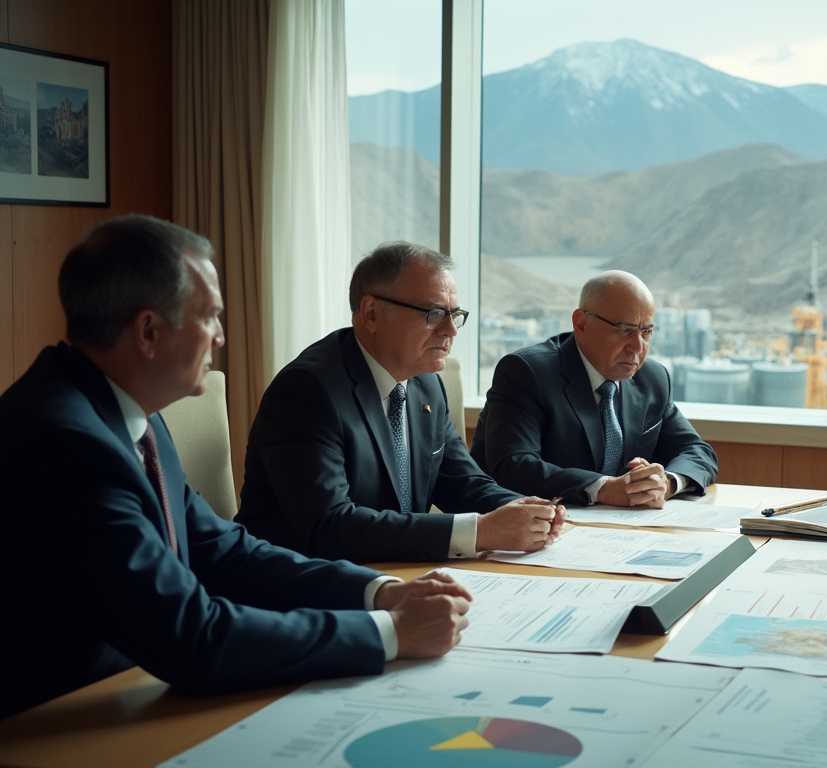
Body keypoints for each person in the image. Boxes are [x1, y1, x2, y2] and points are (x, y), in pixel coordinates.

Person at [0, 216, 473, 719]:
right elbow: (192, 637)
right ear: (148, 331)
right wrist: (392, 633)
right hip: (56, 721)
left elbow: (223, 551)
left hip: (127, 691)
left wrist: (379, 592)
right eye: (209, 317)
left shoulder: (130, 413)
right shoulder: (66, 444)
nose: (221, 337)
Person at [236, 242, 563, 563]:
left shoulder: (426, 383)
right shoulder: (307, 390)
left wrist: (529, 511)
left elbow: (463, 484)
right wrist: (480, 531)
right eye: (434, 313)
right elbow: (330, 526)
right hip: (304, 586)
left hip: (397, 570)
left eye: (455, 314)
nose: (451, 330)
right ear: (372, 313)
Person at [471, 271, 717, 507]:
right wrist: (604, 488)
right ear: (581, 323)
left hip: (617, 532)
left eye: (646, 333)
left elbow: (698, 451)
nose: (637, 347)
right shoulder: (526, 372)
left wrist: (667, 482)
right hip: (526, 529)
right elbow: (513, 465)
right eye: (625, 330)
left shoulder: (653, 378)